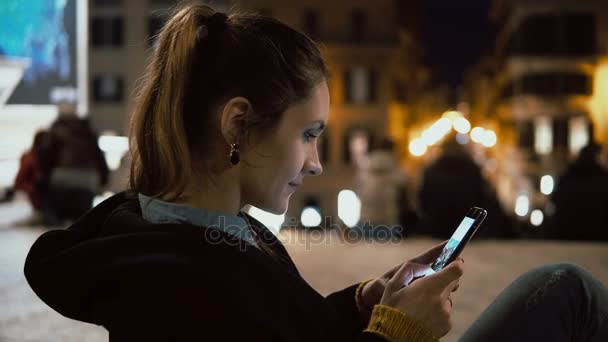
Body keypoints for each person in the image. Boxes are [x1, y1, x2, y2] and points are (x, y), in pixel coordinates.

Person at [24, 4, 607, 341]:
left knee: (564, 289)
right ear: (237, 126)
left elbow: (280, 328)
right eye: (308, 135)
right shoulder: (182, 278)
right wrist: (395, 335)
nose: (317, 162)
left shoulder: (193, 231)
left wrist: (365, 301)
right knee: (567, 291)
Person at [41, 114, 109, 224]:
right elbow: (98, 157)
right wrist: (104, 178)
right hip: (87, 179)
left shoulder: (56, 129)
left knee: (56, 214)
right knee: (82, 219)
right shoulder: (88, 131)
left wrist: (46, 176)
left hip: (62, 177)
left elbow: (46, 156)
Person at [548, 142, 608, 240]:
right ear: (597, 157)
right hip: (597, 236)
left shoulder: (566, 177)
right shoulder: (603, 180)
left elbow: (555, 201)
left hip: (565, 235)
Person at [14, 130, 50, 214]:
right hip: (37, 198)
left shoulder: (40, 157)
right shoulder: (30, 158)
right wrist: (33, 189)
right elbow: (18, 182)